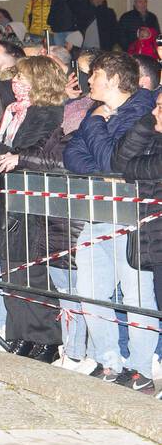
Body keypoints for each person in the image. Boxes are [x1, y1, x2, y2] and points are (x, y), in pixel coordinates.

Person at [66, 51, 158, 385]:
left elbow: (114, 162)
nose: (88, 79)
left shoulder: (141, 109)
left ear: (115, 80)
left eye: (95, 74)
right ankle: (108, 362)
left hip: (133, 217)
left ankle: (141, 369)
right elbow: (71, 153)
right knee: (90, 291)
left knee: (136, 297)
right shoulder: (98, 112)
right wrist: (103, 168)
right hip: (97, 212)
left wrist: (95, 126)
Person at [0, 56, 69, 360]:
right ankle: (19, 334)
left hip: (33, 204)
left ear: (41, 80)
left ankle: (46, 339)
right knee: (11, 273)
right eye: (15, 77)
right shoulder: (12, 113)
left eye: (22, 78)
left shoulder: (48, 112)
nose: (15, 83)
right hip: (8, 200)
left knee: (32, 274)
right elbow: (5, 153)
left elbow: (42, 151)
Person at [111, 89, 162, 394]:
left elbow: (142, 170)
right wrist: (146, 123)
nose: (157, 110)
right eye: (157, 104)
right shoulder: (152, 136)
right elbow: (121, 161)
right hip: (155, 236)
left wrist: (132, 171)